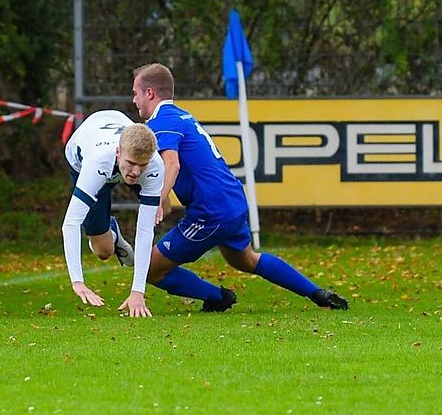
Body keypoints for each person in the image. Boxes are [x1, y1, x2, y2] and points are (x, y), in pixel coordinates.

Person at [131, 62, 349, 312]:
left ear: (150, 93)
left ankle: (217, 297)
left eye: (135, 93)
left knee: (148, 268)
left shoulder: (161, 122)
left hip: (209, 211)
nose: (134, 100)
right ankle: (318, 293)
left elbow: (173, 163)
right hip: (233, 201)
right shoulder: (182, 115)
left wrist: (160, 198)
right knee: (247, 259)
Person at [62, 110, 164, 317]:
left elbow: (145, 229)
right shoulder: (98, 162)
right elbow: (70, 223)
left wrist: (138, 291)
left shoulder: (154, 165)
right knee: (103, 251)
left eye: (142, 165)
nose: (136, 171)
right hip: (83, 162)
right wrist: (78, 282)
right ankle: (113, 235)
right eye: (131, 163)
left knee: (163, 205)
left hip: (115, 142)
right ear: (118, 152)